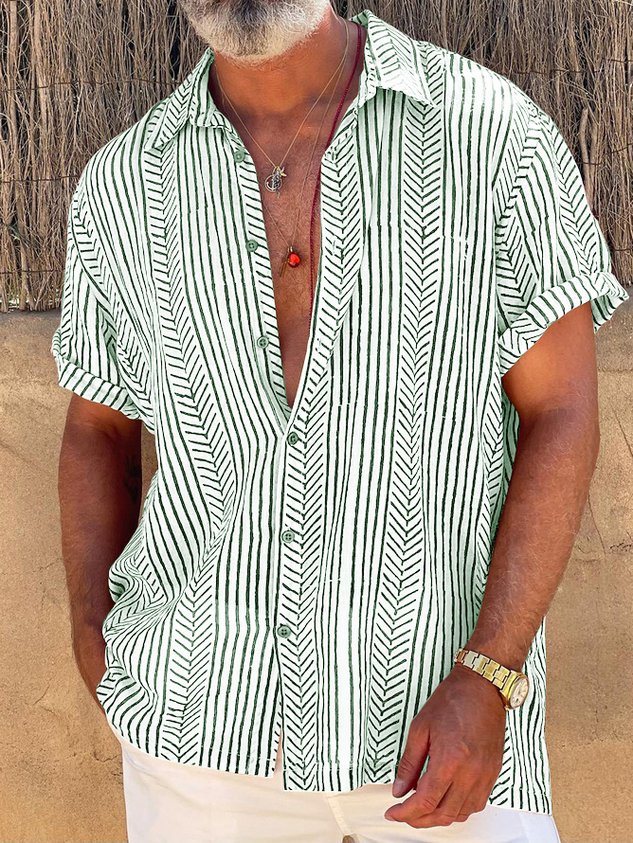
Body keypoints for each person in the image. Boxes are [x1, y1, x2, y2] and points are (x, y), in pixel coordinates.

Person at [50, 1, 629, 841]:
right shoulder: (124, 185)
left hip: (442, 735)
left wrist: (490, 673)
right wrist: (93, 637)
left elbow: (563, 411)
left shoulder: (491, 135)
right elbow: (96, 424)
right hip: (195, 734)